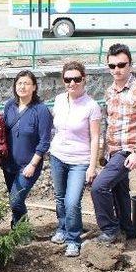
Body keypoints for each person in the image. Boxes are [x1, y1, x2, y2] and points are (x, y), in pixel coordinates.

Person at [91, 44, 136, 243]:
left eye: (121, 65)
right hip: (112, 152)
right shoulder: (110, 92)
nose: (117, 70)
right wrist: (102, 154)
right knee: (119, 190)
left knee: (99, 187)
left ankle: (109, 230)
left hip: (128, 151)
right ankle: (127, 229)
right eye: (112, 66)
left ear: (130, 64)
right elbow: (110, 125)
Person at [49, 61, 101, 257]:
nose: (72, 83)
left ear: (83, 79)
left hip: (80, 160)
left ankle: (73, 238)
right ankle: (62, 228)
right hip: (57, 156)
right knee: (60, 198)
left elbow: (95, 137)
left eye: (76, 79)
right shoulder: (59, 100)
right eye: (67, 79)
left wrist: (92, 166)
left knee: (72, 201)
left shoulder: (91, 106)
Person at [3, 70, 53, 228]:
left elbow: (45, 141)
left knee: (15, 199)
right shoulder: (9, 106)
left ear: (34, 87)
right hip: (9, 164)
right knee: (15, 200)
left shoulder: (41, 110)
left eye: (26, 83)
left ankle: (24, 231)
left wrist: (33, 164)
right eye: (19, 83)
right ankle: (17, 228)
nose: (22, 86)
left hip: (28, 165)